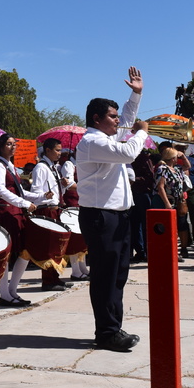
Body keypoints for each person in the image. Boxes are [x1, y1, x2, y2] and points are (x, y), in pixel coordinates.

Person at [75, 66, 149, 352]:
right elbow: (130, 151)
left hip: (117, 216)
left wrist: (136, 94)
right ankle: (106, 332)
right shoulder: (92, 141)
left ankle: (113, 327)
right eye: (112, 116)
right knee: (106, 276)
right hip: (100, 217)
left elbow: (128, 121)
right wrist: (141, 134)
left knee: (118, 274)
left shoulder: (105, 139)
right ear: (97, 119)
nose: (119, 121)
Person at [0, 134, 47, 306]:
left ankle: (13, 290)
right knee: (6, 254)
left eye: (14, 144)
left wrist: (41, 196)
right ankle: (5, 294)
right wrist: (23, 202)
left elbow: (20, 191)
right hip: (6, 211)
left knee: (25, 251)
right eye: (8, 144)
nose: (12, 147)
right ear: (0, 146)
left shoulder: (11, 166)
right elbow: (0, 191)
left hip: (16, 211)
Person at [32, 137, 68, 290]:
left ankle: (54, 277)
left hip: (55, 208)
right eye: (57, 150)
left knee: (56, 246)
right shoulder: (41, 167)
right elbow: (36, 191)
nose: (60, 153)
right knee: (49, 245)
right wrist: (46, 199)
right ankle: (47, 280)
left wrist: (63, 186)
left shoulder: (52, 167)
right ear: (47, 150)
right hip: (46, 210)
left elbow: (56, 191)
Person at [153, 147, 191, 261]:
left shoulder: (176, 169)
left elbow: (188, 166)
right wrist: (167, 204)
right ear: (172, 158)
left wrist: (183, 157)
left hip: (178, 201)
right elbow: (160, 187)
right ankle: (169, 251)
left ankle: (179, 250)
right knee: (168, 227)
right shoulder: (162, 169)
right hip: (167, 200)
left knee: (180, 225)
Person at [129, 149, 156, 263]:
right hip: (131, 194)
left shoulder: (144, 159)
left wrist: (134, 179)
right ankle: (140, 251)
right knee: (134, 224)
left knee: (145, 224)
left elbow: (150, 177)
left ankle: (147, 252)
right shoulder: (127, 158)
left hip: (142, 193)